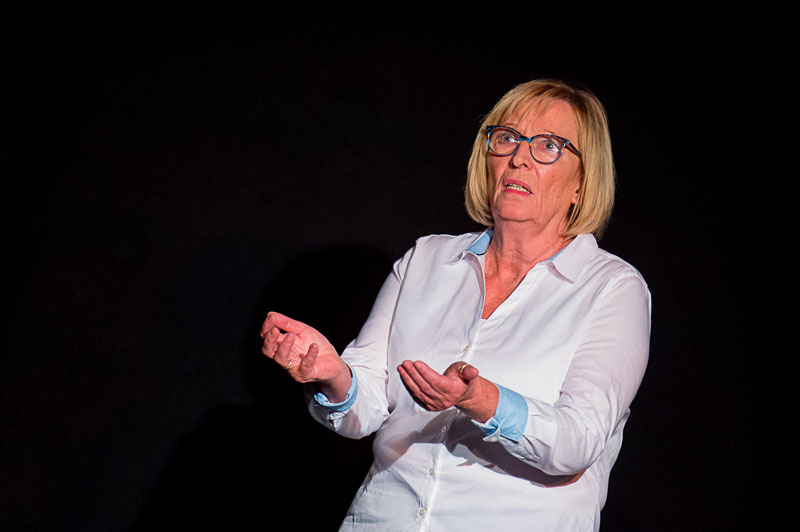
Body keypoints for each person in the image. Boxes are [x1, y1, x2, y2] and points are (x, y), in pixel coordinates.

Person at [260, 78, 651, 531]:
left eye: (548, 146)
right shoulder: (425, 260)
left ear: (581, 184)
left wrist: (480, 399)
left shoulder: (613, 288)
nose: (519, 157)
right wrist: (332, 375)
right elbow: (364, 407)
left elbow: (578, 441)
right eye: (507, 137)